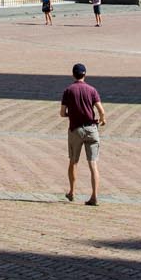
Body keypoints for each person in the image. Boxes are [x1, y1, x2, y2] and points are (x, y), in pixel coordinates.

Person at [60, 62, 105, 205]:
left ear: (73, 75)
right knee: (93, 163)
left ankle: (72, 192)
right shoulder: (92, 90)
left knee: (73, 161)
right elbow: (101, 110)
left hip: (76, 130)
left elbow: (62, 113)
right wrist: (102, 119)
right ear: (85, 74)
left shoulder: (68, 90)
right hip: (92, 129)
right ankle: (94, 196)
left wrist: (71, 114)